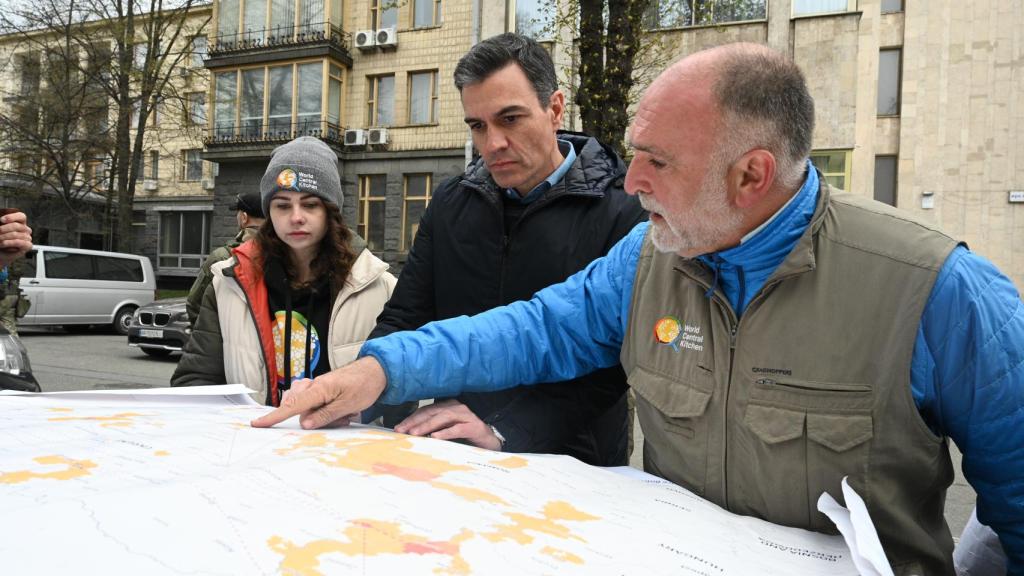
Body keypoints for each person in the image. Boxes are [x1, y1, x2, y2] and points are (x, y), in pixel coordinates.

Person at [253, 44, 1024, 573]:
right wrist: (382, 369)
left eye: (657, 162)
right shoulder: (651, 257)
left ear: (751, 175)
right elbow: (535, 329)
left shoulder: (940, 293)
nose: (630, 183)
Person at [370, 33, 645, 464]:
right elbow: (407, 315)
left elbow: (615, 364)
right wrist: (364, 391)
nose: (492, 143)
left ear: (554, 109)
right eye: (478, 126)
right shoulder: (450, 202)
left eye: (510, 119)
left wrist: (506, 430)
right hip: (457, 448)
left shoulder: (621, 209)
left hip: (572, 463)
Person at [172, 136, 396, 406]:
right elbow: (195, 382)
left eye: (310, 204)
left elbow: (398, 392)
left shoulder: (379, 287)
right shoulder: (228, 284)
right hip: (257, 442)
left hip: (340, 444)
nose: (296, 216)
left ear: (331, 211)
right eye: (283, 205)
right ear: (269, 211)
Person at [185, 190, 266, 326]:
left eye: (238, 213)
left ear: (244, 218)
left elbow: (194, 305)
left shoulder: (222, 257)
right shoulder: (286, 253)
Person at [0, 209, 34, 334]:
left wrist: (3, 260)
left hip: (8, 294)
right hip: (8, 294)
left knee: (10, 338)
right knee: (9, 331)